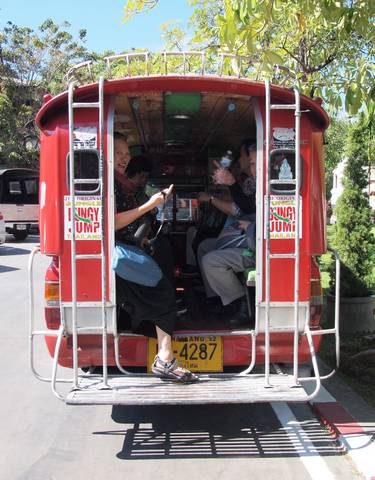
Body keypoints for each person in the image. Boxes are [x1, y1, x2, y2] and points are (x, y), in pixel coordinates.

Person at [113, 133, 198, 382]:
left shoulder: (121, 183)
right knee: (162, 292)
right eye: (118, 152)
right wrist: (151, 204)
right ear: (105, 152)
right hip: (119, 256)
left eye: (127, 153)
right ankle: (164, 358)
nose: (124, 157)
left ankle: (163, 352)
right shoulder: (108, 184)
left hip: (130, 249)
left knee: (162, 285)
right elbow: (113, 222)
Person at [199, 140, 257, 326]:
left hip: (256, 245)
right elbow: (244, 205)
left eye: (255, 162)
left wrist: (219, 193)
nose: (240, 160)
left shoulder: (265, 185)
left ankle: (240, 304)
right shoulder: (250, 181)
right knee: (204, 247)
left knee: (210, 260)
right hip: (247, 238)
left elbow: (243, 209)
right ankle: (217, 297)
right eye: (254, 164)